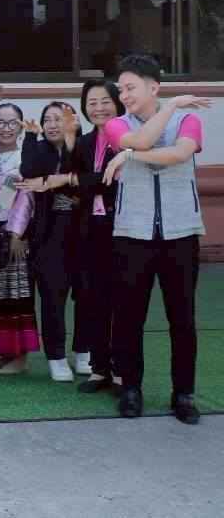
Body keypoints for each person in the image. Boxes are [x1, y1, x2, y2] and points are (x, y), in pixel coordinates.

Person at [101, 54, 210, 424]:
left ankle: (184, 394)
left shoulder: (189, 120)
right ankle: (131, 389)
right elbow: (143, 139)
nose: (124, 95)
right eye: (121, 90)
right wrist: (169, 109)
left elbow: (179, 154)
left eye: (130, 88)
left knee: (183, 318)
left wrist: (129, 156)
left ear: (154, 87)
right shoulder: (116, 124)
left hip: (181, 233)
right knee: (128, 317)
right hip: (133, 233)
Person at [18, 101, 84, 383]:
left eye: (59, 119)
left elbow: (86, 178)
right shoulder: (39, 148)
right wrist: (30, 136)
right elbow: (28, 171)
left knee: (87, 296)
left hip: (83, 234)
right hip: (49, 235)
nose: (53, 124)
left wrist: (70, 143)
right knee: (52, 299)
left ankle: (84, 351)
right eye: (48, 119)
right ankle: (56, 357)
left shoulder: (84, 147)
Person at [0, 93, 39, 376]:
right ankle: (2, 351)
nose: (6, 128)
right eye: (0, 122)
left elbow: (26, 197)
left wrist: (17, 233)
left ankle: (20, 356)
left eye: (12, 123)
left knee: (15, 294)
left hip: (14, 232)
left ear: (21, 126)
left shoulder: (27, 155)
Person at [72, 79, 125, 394]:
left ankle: (120, 370)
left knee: (121, 301)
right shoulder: (83, 143)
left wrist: (82, 181)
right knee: (92, 299)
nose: (99, 108)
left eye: (105, 101)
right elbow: (77, 184)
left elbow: (112, 182)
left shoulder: (127, 139)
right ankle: (99, 368)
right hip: (89, 229)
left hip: (121, 229)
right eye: (92, 102)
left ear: (117, 103)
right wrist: (84, 181)